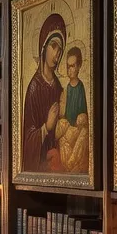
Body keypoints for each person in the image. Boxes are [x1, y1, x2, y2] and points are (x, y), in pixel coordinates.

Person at [21, 12, 66, 173]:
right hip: (41, 161)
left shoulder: (58, 88)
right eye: (53, 46)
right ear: (43, 46)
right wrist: (46, 127)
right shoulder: (34, 87)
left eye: (60, 50)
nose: (57, 54)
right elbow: (26, 138)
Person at [56, 46, 89, 173]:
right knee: (63, 138)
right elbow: (63, 114)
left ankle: (72, 164)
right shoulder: (66, 90)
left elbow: (83, 115)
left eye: (73, 66)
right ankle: (70, 166)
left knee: (83, 134)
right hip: (69, 129)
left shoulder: (81, 88)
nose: (70, 70)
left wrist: (81, 120)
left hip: (78, 129)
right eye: (68, 66)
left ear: (79, 66)